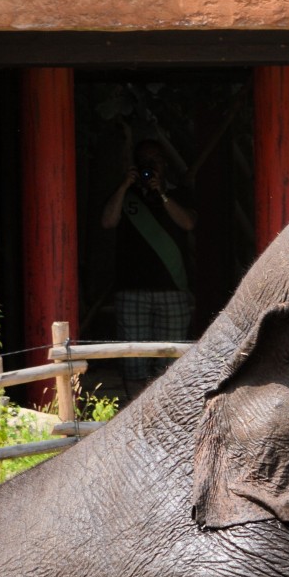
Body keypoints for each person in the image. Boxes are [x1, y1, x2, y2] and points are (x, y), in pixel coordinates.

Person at [101, 139, 196, 391]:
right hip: (132, 289)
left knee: (171, 362)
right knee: (134, 362)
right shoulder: (125, 194)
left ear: (164, 164)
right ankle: (134, 416)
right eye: (144, 161)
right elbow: (108, 222)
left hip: (172, 289)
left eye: (154, 160)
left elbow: (187, 223)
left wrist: (161, 193)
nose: (149, 166)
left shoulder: (177, 193)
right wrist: (124, 186)